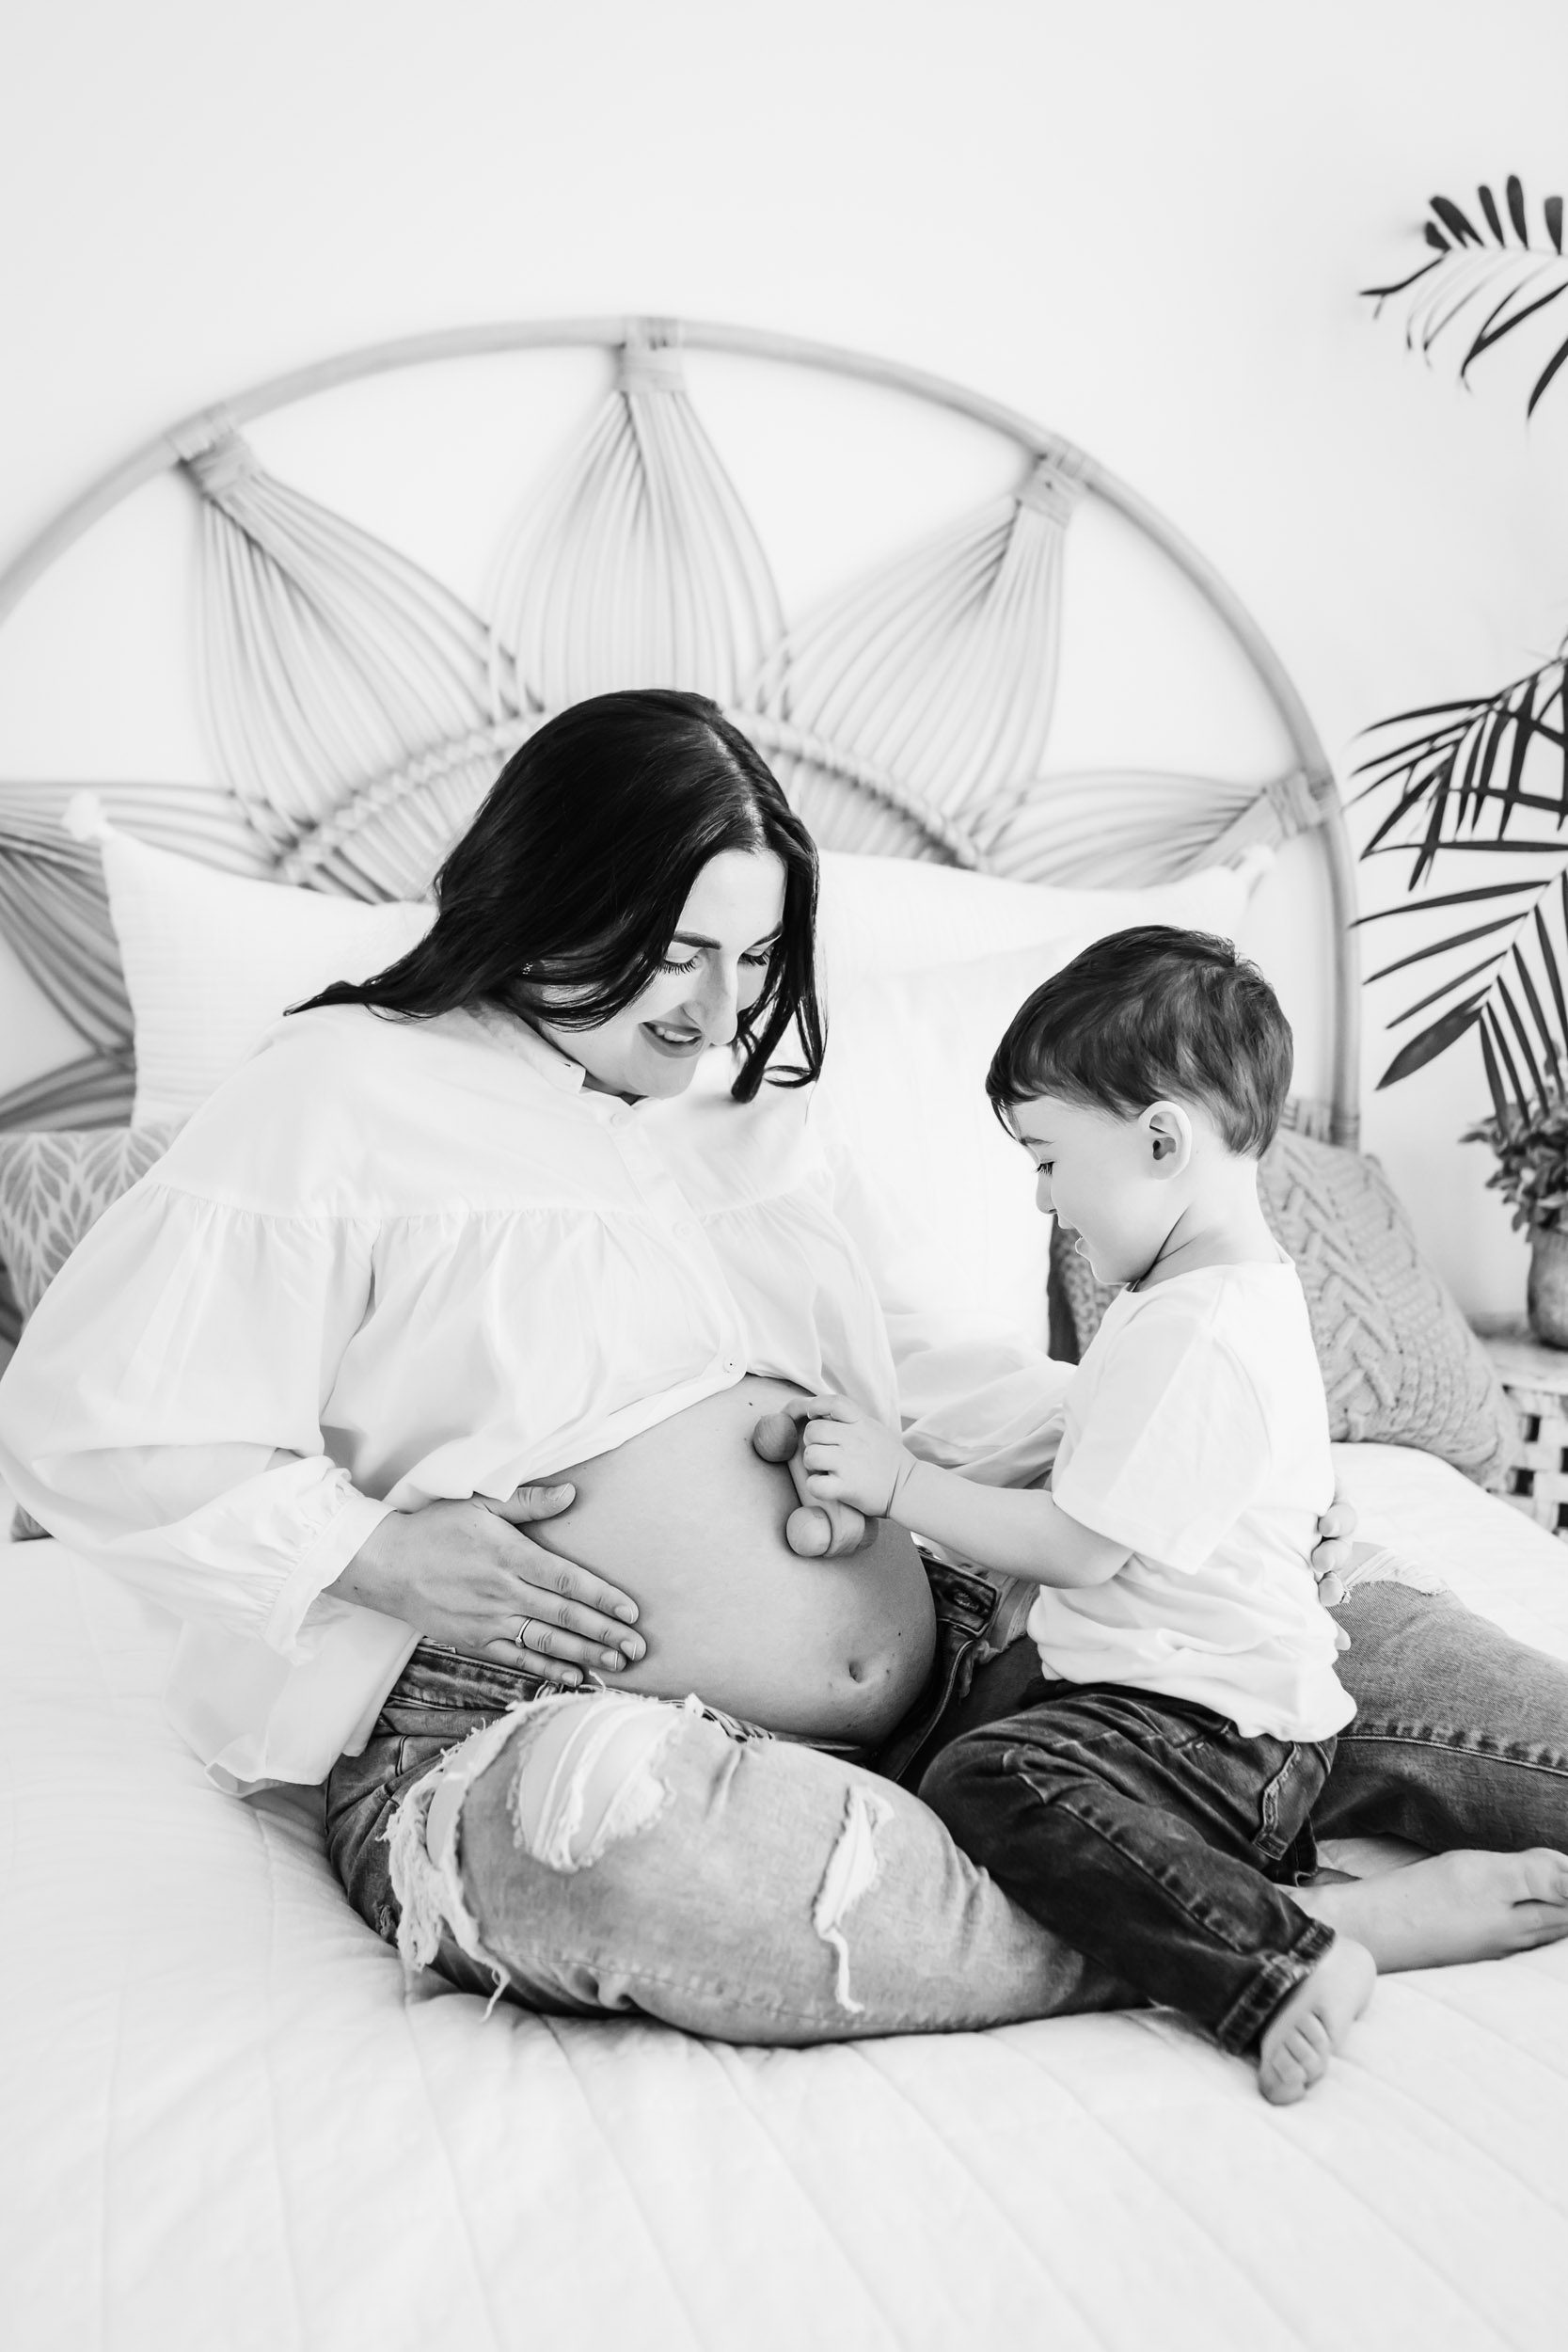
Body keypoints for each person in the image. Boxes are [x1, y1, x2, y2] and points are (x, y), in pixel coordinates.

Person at [0, 690, 1565, 2045]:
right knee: (607, 1848)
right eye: (675, 952)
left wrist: (1179, 1455)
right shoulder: (338, 1093)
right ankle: (1285, 1933)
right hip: (508, 1713)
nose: (716, 1009)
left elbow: (910, 1369)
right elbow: (86, 1426)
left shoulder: (749, 1110)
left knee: (1337, 1620)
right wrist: (381, 1553)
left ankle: (1188, 1911)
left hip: (989, 1657)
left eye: (751, 959)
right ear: (546, 889)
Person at [780, 930, 1381, 2098]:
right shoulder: (1192, 1302)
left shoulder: (1199, 1329)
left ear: (1161, 1140)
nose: (1042, 1198)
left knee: (993, 1781)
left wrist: (900, 1484)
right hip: (1171, 1704)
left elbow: (1079, 1544)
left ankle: (1283, 1957)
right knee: (948, 1745)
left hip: (1216, 1729)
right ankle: (1239, 1889)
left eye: (1049, 1158)